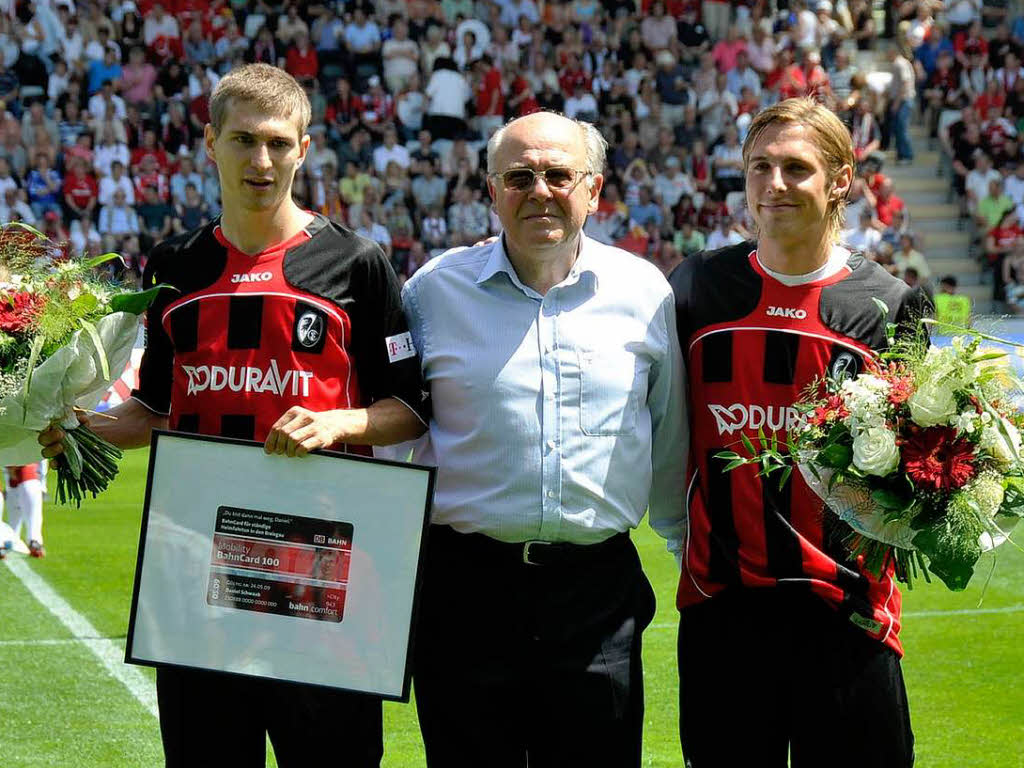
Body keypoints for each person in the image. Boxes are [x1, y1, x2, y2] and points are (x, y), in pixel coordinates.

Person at [39, 63, 428, 768]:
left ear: (304, 149)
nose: (262, 160)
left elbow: (409, 409)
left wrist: (336, 424)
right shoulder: (175, 267)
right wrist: (77, 427)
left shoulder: (357, 264)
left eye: (280, 142)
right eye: (243, 140)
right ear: (210, 143)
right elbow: (155, 411)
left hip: (321, 578)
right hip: (195, 577)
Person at [396, 111, 686, 767]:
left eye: (559, 174)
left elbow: (669, 440)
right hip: (463, 593)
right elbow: (396, 438)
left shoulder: (645, 294)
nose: (540, 190)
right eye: (519, 176)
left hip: (596, 596)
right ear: (491, 189)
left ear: (593, 187)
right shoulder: (432, 293)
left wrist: (684, 550)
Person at [668, 98, 923, 768]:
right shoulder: (698, 286)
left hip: (848, 615)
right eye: (759, 167)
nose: (773, 184)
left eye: (795, 167)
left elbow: (920, 464)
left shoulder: (892, 305)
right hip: (723, 615)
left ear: (840, 178)